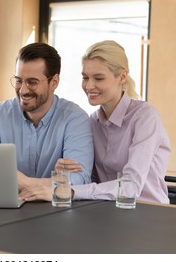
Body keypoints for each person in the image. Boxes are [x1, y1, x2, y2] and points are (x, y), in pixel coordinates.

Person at [55, 40, 171, 204]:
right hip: (108, 212)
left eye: (99, 78)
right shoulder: (93, 121)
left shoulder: (145, 117)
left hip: (149, 212)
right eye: (85, 77)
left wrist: (73, 191)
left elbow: (131, 186)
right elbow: (93, 180)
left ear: (122, 76)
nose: (89, 86)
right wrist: (67, 174)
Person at [0, 42, 94, 202]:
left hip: (56, 214)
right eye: (19, 80)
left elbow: (79, 180)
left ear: (54, 82)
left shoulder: (74, 119)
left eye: (32, 82)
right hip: (6, 209)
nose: (23, 90)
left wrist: (24, 182)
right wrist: (52, 182)